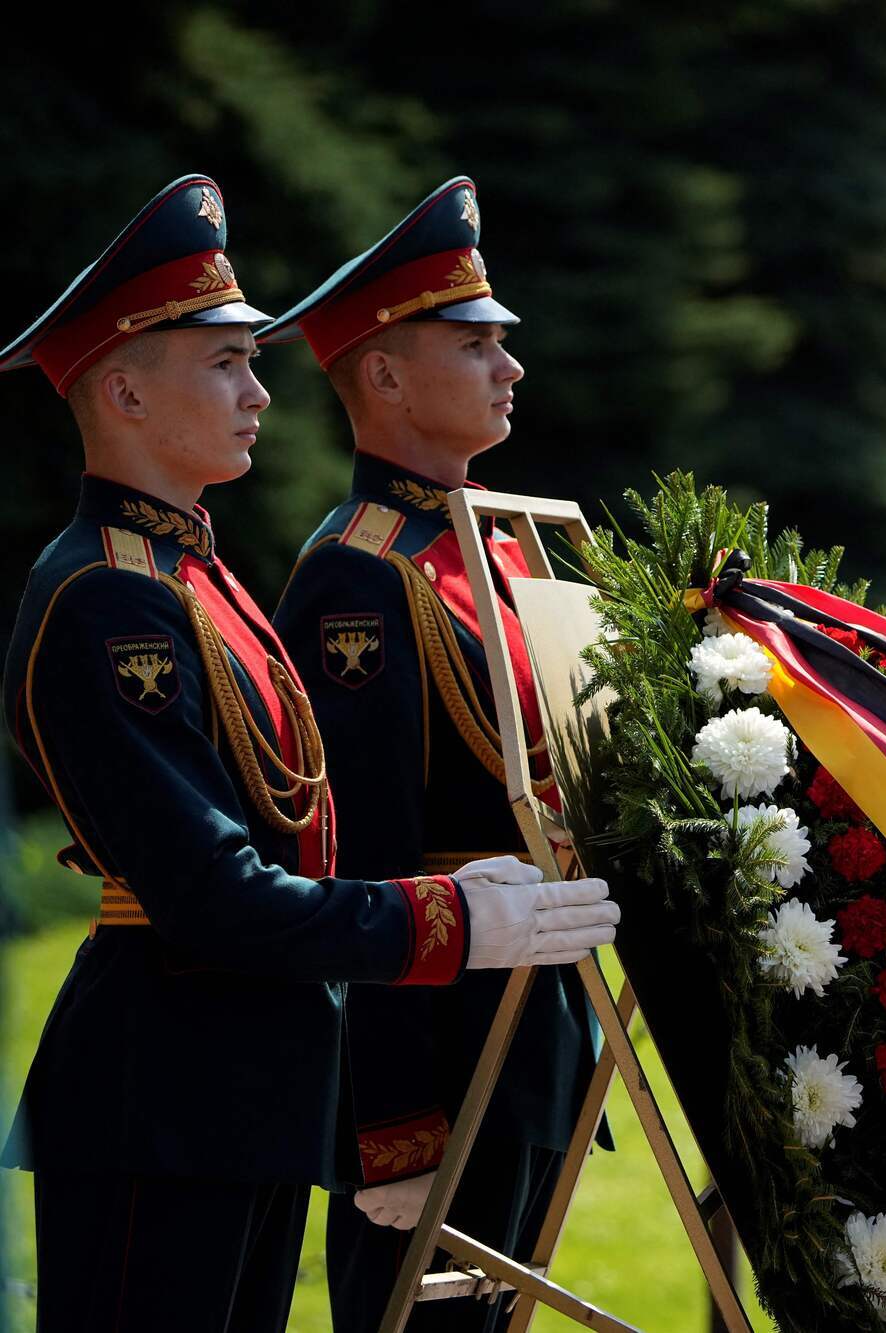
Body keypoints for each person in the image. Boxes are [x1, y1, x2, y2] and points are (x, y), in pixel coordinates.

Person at [0, 175, 620, 1333]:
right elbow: (211, 890)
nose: (263, 392)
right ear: (125, 388)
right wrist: (447, 922)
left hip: (250, 1072)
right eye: (226, 364)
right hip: (169, 1081)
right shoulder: (105, 598)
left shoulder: (191, 574)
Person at [262, 177, 602, 1331]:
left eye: (503, 343)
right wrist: (391, 1127)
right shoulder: (357, 573)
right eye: (474, 345)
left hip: (535, 1019)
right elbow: (364, 854)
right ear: (387, 375)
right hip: (441, 1051)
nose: (510, 366)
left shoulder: (500, 544)